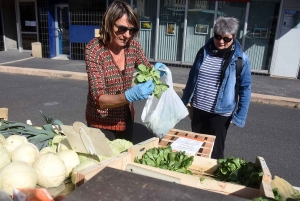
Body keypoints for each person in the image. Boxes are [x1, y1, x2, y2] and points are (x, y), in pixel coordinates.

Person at [85, 0, 165, 142]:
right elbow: (100, 99)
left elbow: (147, 69)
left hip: (125, 119)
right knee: (106, 163)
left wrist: (156, 72)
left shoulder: (132, 46)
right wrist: (129, 96)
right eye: (122, 29)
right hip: (101, 123)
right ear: (109, 24)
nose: (127, 35)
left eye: (132, 30)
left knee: (125, 158)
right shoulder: (95, 50)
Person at [181, 17, 252, 159]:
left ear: (234, 38)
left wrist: (239, 116)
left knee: (215, 152)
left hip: (220, 114)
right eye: (218, 37)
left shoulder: (240, 59)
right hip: (199, 109)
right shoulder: (203, 52)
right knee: (196, 148)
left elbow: (245, 89)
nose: (221, 41)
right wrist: (183, 102)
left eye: (226, 39)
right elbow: (192, 77)